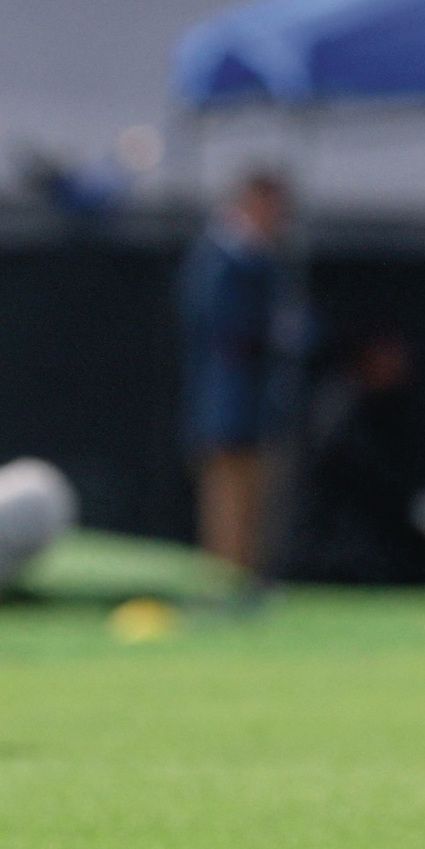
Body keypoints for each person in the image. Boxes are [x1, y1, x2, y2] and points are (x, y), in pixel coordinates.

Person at [177, 170, 297, 574]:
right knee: (225, 504)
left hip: (256, 406)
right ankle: (222, 583)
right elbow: (219, 323)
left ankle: (246, 581)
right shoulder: (221, 255)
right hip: (225, 405)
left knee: (257, 504)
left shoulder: (259, 257)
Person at [283, 326, 424, 583]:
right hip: (328, 556)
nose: (399, 366)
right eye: (389, 355)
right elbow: (371, 478)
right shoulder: (339, 409)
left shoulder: (375, 406)